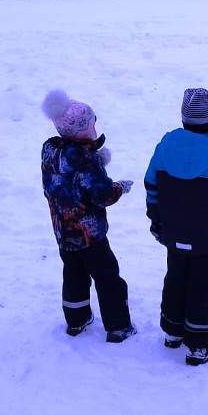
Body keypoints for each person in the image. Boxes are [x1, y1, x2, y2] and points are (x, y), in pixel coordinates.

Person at [143, 88, 208, 366]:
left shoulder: (167, 144)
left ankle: (173, 331)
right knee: (205, 284)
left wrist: (155, 217)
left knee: (177, 277)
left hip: (173, 231)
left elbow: (151, 181)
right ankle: (200, 345)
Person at [41, 90, 136, 342]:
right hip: (89, 235)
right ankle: (118, 326)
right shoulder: (86, 161)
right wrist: (119, 187)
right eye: (93, 123)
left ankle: (76, 320)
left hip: (63, 232)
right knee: (107, 276)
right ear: (84, 130)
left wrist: (93, 159)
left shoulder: (51, 152)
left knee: (74, 274)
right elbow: (102, 194)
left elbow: (70, 177)